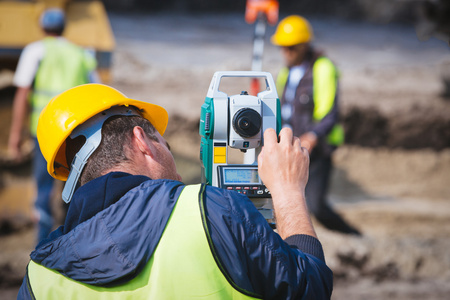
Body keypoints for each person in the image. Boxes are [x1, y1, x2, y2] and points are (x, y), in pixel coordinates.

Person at [18, 84, 333, 299]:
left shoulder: (39, 275)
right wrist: (289, 191)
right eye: (165, 146)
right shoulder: (211, 213)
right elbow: (310, 288)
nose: (179, 173)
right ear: (142, 141)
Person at [8, 8, 98, 243]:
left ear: (42, 27)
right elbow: (95, 93)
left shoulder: (36, 50)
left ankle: (42, 246)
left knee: (44, 188)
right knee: (73, 186)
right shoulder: (80, 53)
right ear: (64, 27)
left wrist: (14, 137)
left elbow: (22, 93)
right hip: (78, 132)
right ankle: (72, 241)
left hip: (46, 131)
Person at [271, 15, 360, 235]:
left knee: (316, 206)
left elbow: (331, 115)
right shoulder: (287, 72)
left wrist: (312, 136)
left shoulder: (323, 69)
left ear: (304, 45)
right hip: (290, 148)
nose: (286, 52)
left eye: (290, 47)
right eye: (283, 47)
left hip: (316, 150)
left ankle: (353, 235)